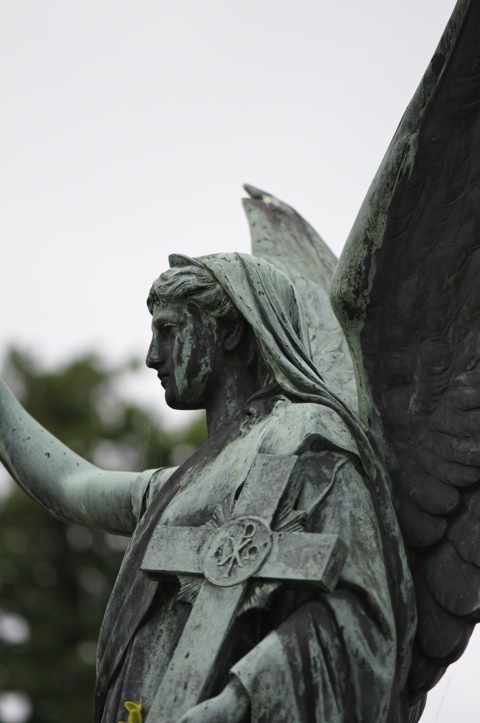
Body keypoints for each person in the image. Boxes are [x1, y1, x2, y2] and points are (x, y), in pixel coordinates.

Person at [0, 252, 416, 722]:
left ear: (230, 332)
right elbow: (69, 484)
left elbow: (358, 616)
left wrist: (238, 700)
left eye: (169, 330)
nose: (152, 356)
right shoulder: (183, 484)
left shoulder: (303, 437)